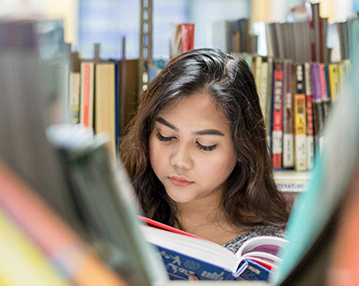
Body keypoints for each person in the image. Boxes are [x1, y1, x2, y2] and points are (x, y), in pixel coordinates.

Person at [120, 48, 290, 254]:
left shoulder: (269, 247)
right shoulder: (114, 217)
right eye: (165, 136)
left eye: (205, 145)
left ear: (242, 147)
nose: (180, 161)